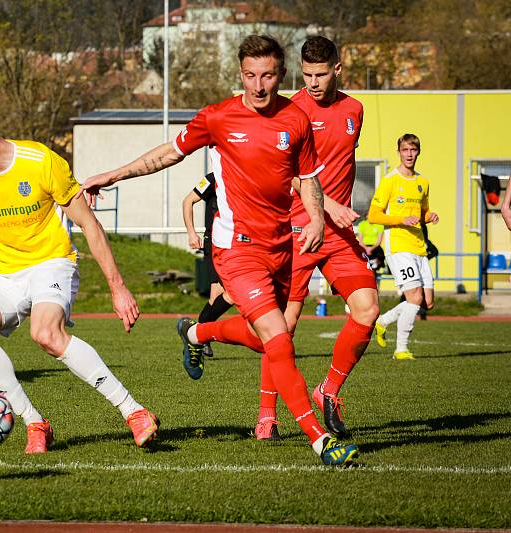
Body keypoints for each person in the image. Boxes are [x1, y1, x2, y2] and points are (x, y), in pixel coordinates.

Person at [83, 35, 359, 466]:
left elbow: (308, 180)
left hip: (282, 247)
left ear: (280, 75)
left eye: (267, 75)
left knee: (270, 341)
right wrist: (114, 174)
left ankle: (198, 332)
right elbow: (167, 155)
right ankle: (319, 438)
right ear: (240, 74)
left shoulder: (296, 119)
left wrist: (319, 220)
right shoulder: (217, 117)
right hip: (236, 250)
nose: (258, 85)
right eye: (250, 75)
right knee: (279, 339)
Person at [0, 90, 158, 454]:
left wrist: (118, 287)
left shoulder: (40, 161)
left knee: (46, 334)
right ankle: (35, 423)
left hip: (52, 262)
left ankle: (133, 411)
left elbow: (90, 225)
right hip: (4, 272)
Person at [253, 36, 380, 441]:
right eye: (306, 74)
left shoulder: (354, 110)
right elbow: (282, 172)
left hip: (339, 232)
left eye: (321, 74)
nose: (312, 82)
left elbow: (345, 159)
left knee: (368, 308)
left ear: (337, 70)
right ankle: (267, 416)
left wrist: (340, 210)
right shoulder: (289, 112)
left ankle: (328, 390)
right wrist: (326, 207)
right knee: (283, 325)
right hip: (297, 228)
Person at [369, 133, 439, 360]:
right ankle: (401, 349)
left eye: (413, 150)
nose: (409, 154)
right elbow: (373, 215)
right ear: (398, 152)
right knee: (415, 297)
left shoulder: (422, 182)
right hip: (398, 246)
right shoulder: (390, 180)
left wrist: (430, 216)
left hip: (419, 246)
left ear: (418, 152)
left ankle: (383, 321)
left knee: (427, 302)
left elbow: (421, 213)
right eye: (405, 150)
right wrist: (400, 220)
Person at [181, 173, 234, 359]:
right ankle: (198, 334)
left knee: (223, 295)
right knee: (229, 293)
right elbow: (188, 201)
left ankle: (196, 334)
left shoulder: (243, 175)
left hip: (236, 244)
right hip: (215, 244)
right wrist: (191, 233)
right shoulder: (212, 179)